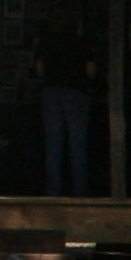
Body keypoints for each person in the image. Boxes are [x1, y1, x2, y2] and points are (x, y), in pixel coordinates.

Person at [39, 52, 96, 195]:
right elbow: (91, 71)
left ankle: (53, 191)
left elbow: (39, 68)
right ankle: (80, 191)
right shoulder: (81, 42)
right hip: (76, 92)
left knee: (53, 145)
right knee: (78, 145)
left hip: (51, 91)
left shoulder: (47, 40)